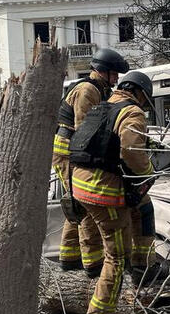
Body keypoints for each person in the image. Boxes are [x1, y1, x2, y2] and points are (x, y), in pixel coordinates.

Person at [68, 71, 155, 314]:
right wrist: (148, 172)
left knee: (143, 207)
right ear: (139, 93)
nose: (144, 107)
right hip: (103, 192)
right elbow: (131, 151)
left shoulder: (101, 107)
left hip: (80, 186)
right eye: (145, 101)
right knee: (117, 255)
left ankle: (143, 267)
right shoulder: (131, 113)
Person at [52, 48, 129, 276]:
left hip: (76, 152)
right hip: (69, 153)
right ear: (102, 71)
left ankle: (69, 259)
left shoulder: (100, 89)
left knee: (77, 204)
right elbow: (86, 130)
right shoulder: (88, 90)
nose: (116, 80)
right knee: (84, 204)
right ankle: (92, 266)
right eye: (114, 74)